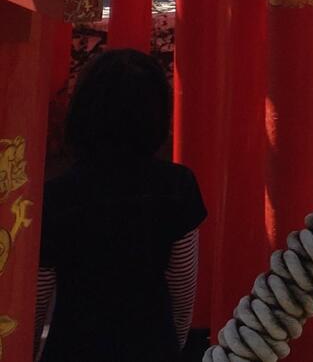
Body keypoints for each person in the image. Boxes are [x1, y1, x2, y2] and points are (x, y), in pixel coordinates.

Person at [34, 49, 206, 362]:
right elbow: (182, 285)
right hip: (152, 345)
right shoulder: (177, 186)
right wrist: (174, 343)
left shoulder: (56, 196)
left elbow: (39, 296)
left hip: (73, 347)